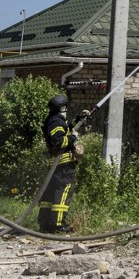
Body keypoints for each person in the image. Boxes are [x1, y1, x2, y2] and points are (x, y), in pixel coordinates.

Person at [38, 94, 83, 233]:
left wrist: (79, 121)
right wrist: (73, 137)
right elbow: (58, 141)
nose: (66, 110)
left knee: (50, 194)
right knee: (63, 192)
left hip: (57, 166)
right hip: (64, 166)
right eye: (66, 108)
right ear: (62, 107)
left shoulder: (53, 120)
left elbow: (67, 129)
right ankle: (58, 224)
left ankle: (45, 224)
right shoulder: (56, 122)